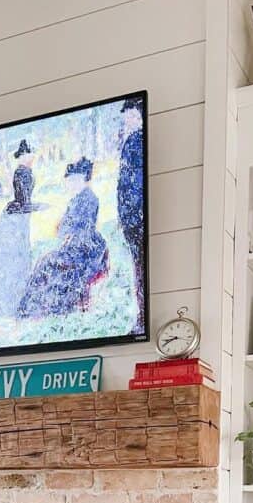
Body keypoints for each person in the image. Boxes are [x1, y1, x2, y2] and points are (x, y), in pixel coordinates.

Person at [17, 156, 109, 318]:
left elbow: (80, 229)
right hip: (74, 246)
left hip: (87, 250)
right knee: (46, 262)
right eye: (69, 180)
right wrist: (66, 232)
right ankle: (31, 310)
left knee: (50, 263)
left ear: (83, 179)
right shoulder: (75, 200)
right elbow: (61, 229)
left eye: (75, 179)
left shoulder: (89, 198)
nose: (71, 183)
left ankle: (49, 309)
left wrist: (69, 233)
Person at [0, 138, 35, 318]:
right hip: (17, 217)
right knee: (17, 256)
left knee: (22, 253)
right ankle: (13, 302)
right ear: (23, 156)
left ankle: (19, 299)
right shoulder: (22, 173)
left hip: (21, 215)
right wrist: (35, 207)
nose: (31, 157)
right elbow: (23, 200)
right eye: (28, 154)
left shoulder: (25, 171)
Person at [117, 98, 145, 336]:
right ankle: (140, 318)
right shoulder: (132, 141)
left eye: (132, 115)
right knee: (138, 269)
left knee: (140, 269)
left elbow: (134, 186)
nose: (128, 120)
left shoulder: (136, 142)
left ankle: (141, 319)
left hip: (136, 220)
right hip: (131, 219)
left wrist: (132, 217)